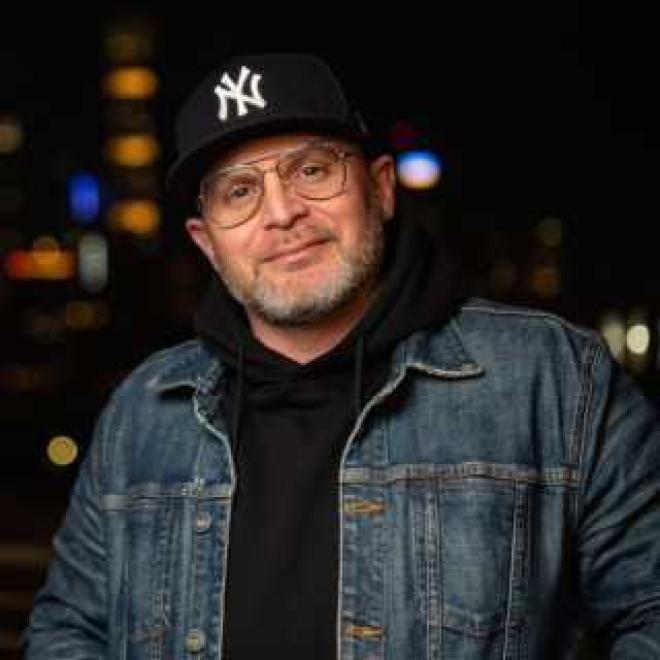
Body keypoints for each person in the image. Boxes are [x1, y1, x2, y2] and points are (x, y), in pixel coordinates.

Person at [25, 53, 660, 659]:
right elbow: (70, 627)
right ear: (207, 243)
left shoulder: (554, 378)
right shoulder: (143, 411)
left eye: (312, 170)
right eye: (239, 192)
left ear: (381, 189)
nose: (282, 214)